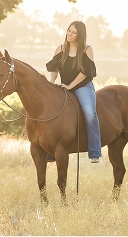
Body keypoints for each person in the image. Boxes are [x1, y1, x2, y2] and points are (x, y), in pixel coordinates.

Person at [45, 20, 102, 163]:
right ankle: (50, 151)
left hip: (82, 86)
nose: (70, 34)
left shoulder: (87, 49)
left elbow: (85, 72)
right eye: (69, 30)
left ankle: (94, 151)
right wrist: (52, 83)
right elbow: (54, 69)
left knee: (89, 113)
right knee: (50, 111)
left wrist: (71, 86)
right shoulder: (60, 49)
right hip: (64, 85)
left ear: (80, 35)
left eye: (74, 32)